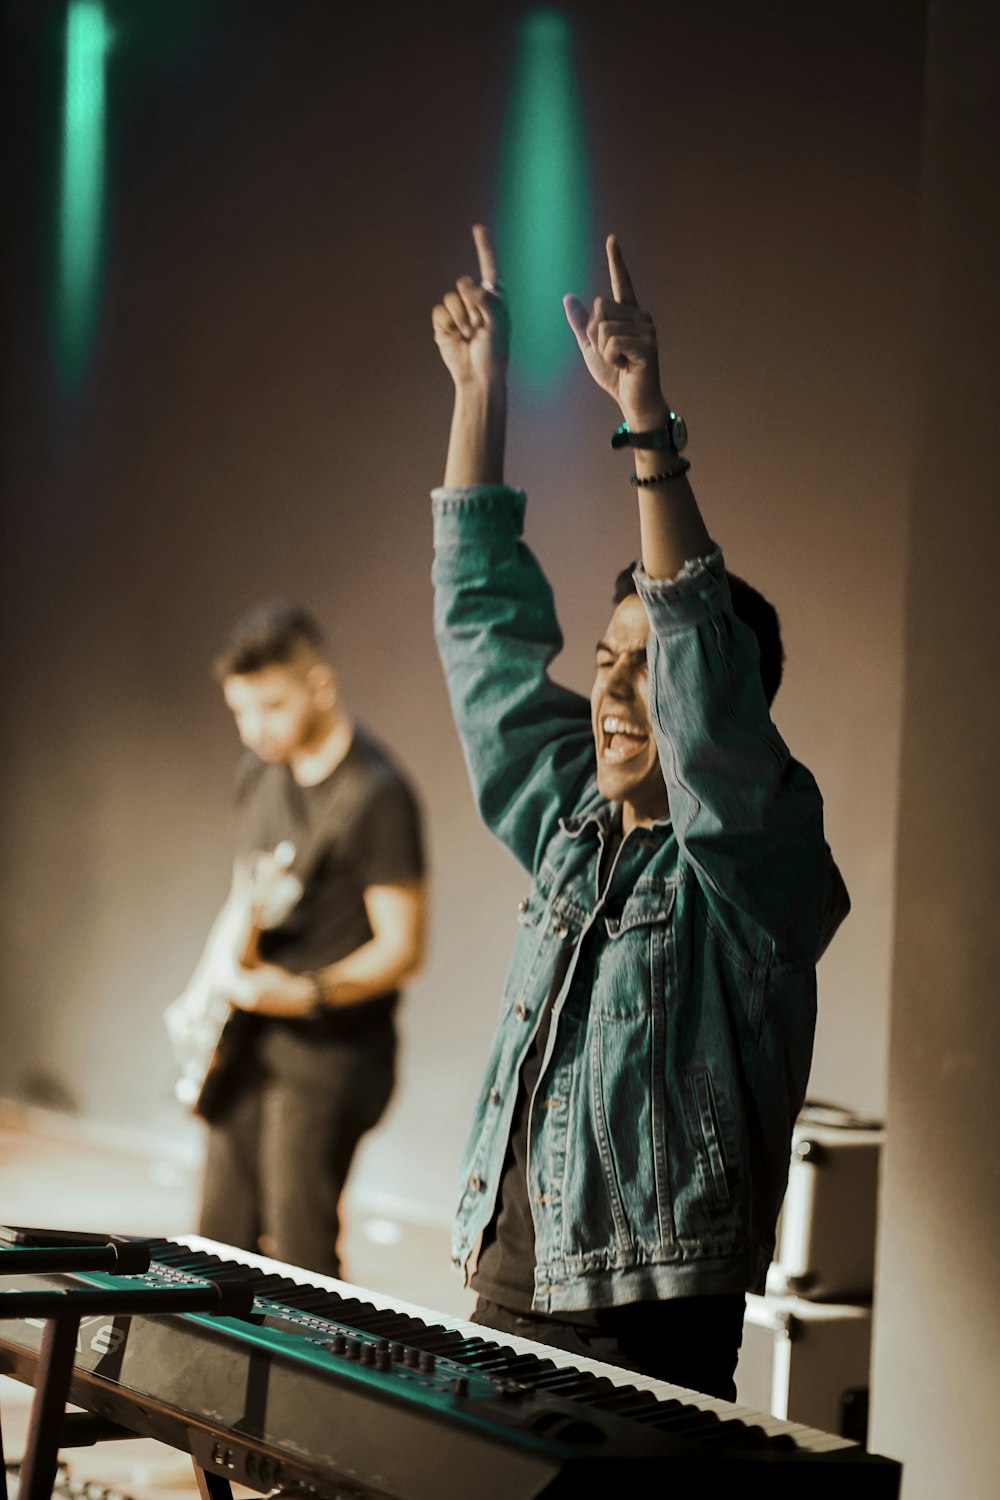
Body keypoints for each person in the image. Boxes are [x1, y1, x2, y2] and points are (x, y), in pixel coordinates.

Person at [429, 226, 849, 1399]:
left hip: (644, 1324)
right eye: (605, 661)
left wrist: (644, 420)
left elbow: (698, 673)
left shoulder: (757, 871)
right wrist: (481, 396)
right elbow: (487, 648)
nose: (611, 690)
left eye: (642, 666)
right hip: (509, 1279)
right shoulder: (575, 828)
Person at [166, 601, 426, 1277]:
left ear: (321, 687)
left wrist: (303, 993)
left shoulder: (376, 795)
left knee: (298, 1251)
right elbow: (243, 896)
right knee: (215, 1245)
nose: (254, 730)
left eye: (272, 708)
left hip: (334, 1050)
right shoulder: (257, 773)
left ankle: (316, 1384)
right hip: (254, 1038)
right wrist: (204, 991)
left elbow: (403, 949)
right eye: (241, 712)